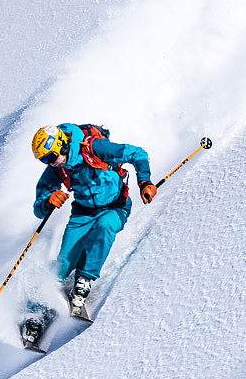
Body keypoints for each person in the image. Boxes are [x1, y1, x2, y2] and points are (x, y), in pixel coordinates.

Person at [28, 123, 154, 326]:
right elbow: (38, 207)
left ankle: (83, 284)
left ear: (62, 145)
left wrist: (144, 182)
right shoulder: (57, 169)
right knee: (64, 262)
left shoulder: (95, 148)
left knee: (105, 227)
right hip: (83, 212)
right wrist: (48, 200)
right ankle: (36, 313)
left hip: (116, 205)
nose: (49, 163)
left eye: (50, 157)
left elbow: (137, 153)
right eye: (43, 160)